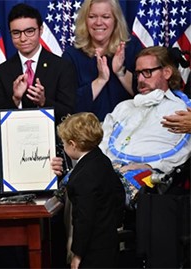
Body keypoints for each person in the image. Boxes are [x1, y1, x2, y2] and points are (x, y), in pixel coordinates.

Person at [99, 46, 191, 176]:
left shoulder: (182, 110)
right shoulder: (124, 107)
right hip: (104, 170)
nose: (141, 79)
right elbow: (101, 142)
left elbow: (183, 151)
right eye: (138, 74)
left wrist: (149, 167)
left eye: (147, 72)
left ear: (166, 72)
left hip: (146, 177)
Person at [57, 112, 125, 269]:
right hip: (109, 241)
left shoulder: (82, 176)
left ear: (73, 144)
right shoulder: (102, 160)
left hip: (92, 251)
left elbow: (84, 220)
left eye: (64, 143)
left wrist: (77, 255)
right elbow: (119, 193)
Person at [0, 3, 76, 124]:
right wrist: (15, 99)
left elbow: (69, 113)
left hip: (53, 140)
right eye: (16, 33)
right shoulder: (0, 72)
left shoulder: (62, 67)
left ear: (41, 30)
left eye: (29, 31)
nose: (23, 38)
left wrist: (43, 102)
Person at [62, 0, 143, 121]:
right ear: (85, 20)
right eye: (92, 17)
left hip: (129, 127)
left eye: (106, 17)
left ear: (116, 20)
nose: (98, 23)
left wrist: (121, 72)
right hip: (89, 131)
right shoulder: (72, 55)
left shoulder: (132, 48)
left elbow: (144, 95)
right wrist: (101, 80)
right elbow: (70, 107)